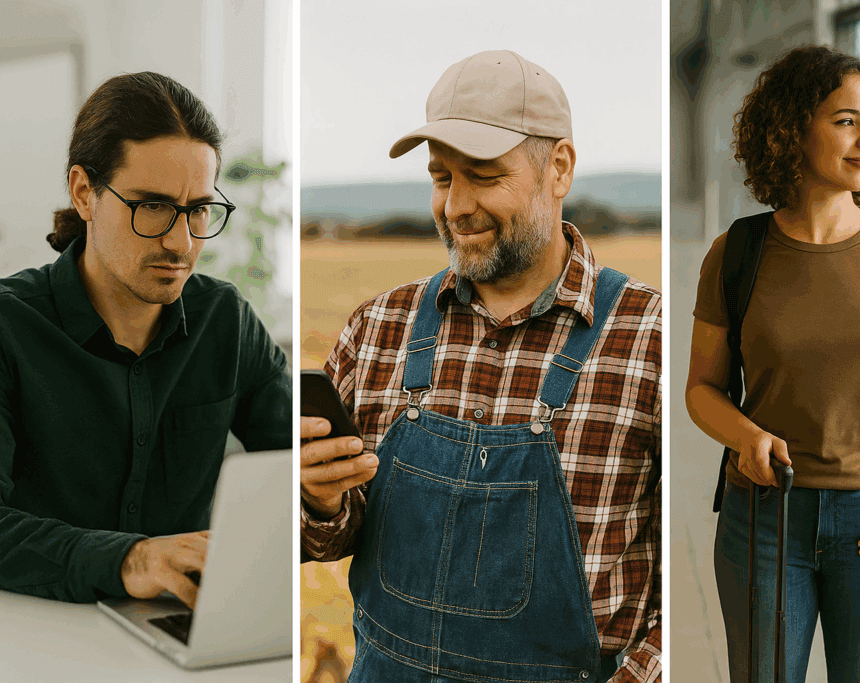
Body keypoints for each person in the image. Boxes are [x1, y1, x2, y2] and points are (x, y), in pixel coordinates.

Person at [300, 51, 661, 683]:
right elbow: (326, 538)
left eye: (484, 176)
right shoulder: (377, 328)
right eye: (442, 178)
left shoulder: (649, 339)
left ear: (560, 169)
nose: (456, 206)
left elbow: (697, 578)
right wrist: (319, 502)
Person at [686, 46, 860, 682]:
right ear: (791, 131)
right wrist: (746, 436)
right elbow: (700, 388)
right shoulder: (738, 252)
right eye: (846, 121)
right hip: (767, 521)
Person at [0, 72, 291, 610]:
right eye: (151, 207)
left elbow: (294, 472)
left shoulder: (224, 320)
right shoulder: (8, 326)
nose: (180, 242)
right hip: (33, 636)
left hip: (179, 637)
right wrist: (130, 560)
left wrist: (320, 487)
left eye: (198, 209)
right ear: (84, 192)